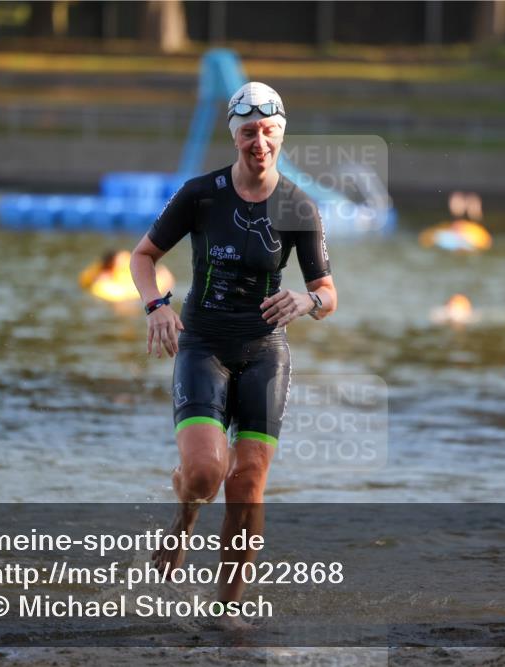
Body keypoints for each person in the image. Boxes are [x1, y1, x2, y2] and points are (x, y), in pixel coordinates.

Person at [129, 82, 337, 624]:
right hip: (202, 345)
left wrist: (308, 300)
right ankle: (184, 520)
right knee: (205, 473)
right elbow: (143, 256)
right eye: (249, 133)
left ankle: (227, 609)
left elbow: (327, 293)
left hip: (266, 352)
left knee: (246, 487)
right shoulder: (201, 194)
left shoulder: (299, 205)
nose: (259, 143)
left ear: (281, 135)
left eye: (268, 132)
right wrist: (156, 306)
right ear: (234, 136)